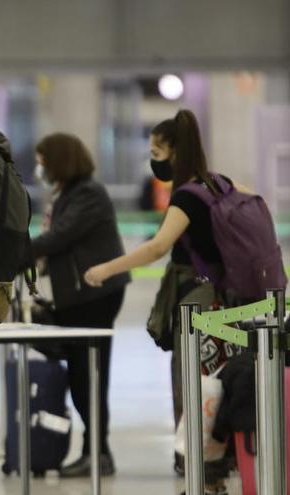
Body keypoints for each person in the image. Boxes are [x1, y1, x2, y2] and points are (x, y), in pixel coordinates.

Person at [84, 109, 249, 495]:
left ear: (175, 151)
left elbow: (158, 246)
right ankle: (215, 477)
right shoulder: (221, 184)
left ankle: (203, 479)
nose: (153, 158)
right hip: (229, 302)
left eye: (157, 150)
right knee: (218, 386)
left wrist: (107, 268)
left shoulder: (187, 196)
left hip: (201, 305)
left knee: (195, 388)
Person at [29, 133, 129, 477]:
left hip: (93, 297)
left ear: (59, 160)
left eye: (43, 161)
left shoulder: (87, 193)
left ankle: (98, 453)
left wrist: (15, 253)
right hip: (79, 297)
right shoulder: (69, 193)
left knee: (90, 376)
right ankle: (95, 452)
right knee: (82, 376)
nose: (40, 167)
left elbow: (60, 237)